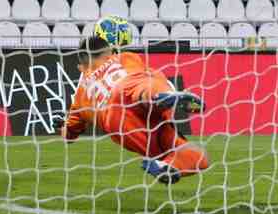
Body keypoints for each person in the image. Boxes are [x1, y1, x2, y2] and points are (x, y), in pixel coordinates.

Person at [62, 20, 209, 185]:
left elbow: (68, 135)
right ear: (108, 49)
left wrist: (62, 128)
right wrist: (168, 89)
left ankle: (164, 166)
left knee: (189, 154)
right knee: (144, 84)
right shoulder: (125, 58)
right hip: (131, 94)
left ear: (81, 64)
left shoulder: (80, 95)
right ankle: (165, 96)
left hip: (118, 125)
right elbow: (148, 77)